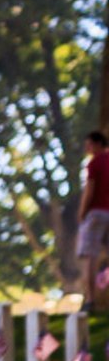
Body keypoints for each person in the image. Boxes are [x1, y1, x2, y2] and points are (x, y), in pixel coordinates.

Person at [79, 130, 109, 309]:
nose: (87, 148)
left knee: (90, 257)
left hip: (96, 214)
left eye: (89, 144)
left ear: (98, 144)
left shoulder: (95, 163)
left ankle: (90, 301)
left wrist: (81, 213)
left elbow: (89, 190)